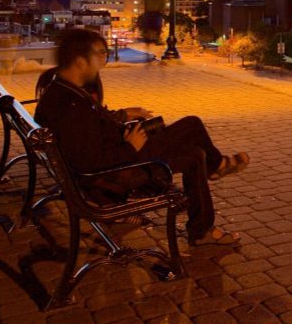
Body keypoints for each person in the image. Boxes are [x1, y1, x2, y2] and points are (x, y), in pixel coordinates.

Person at [34, 29, 249, 246]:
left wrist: (123, 120)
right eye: (98, 54)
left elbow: (88, 134)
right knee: (192, 126)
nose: (102, 60)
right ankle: (216, 171)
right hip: (114, 174)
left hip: (113, 158)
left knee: (191, 151)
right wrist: (131, 146)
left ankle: (203, 223)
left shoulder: (62, 91)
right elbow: (91, 161)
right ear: (80, 62)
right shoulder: (71, 106)